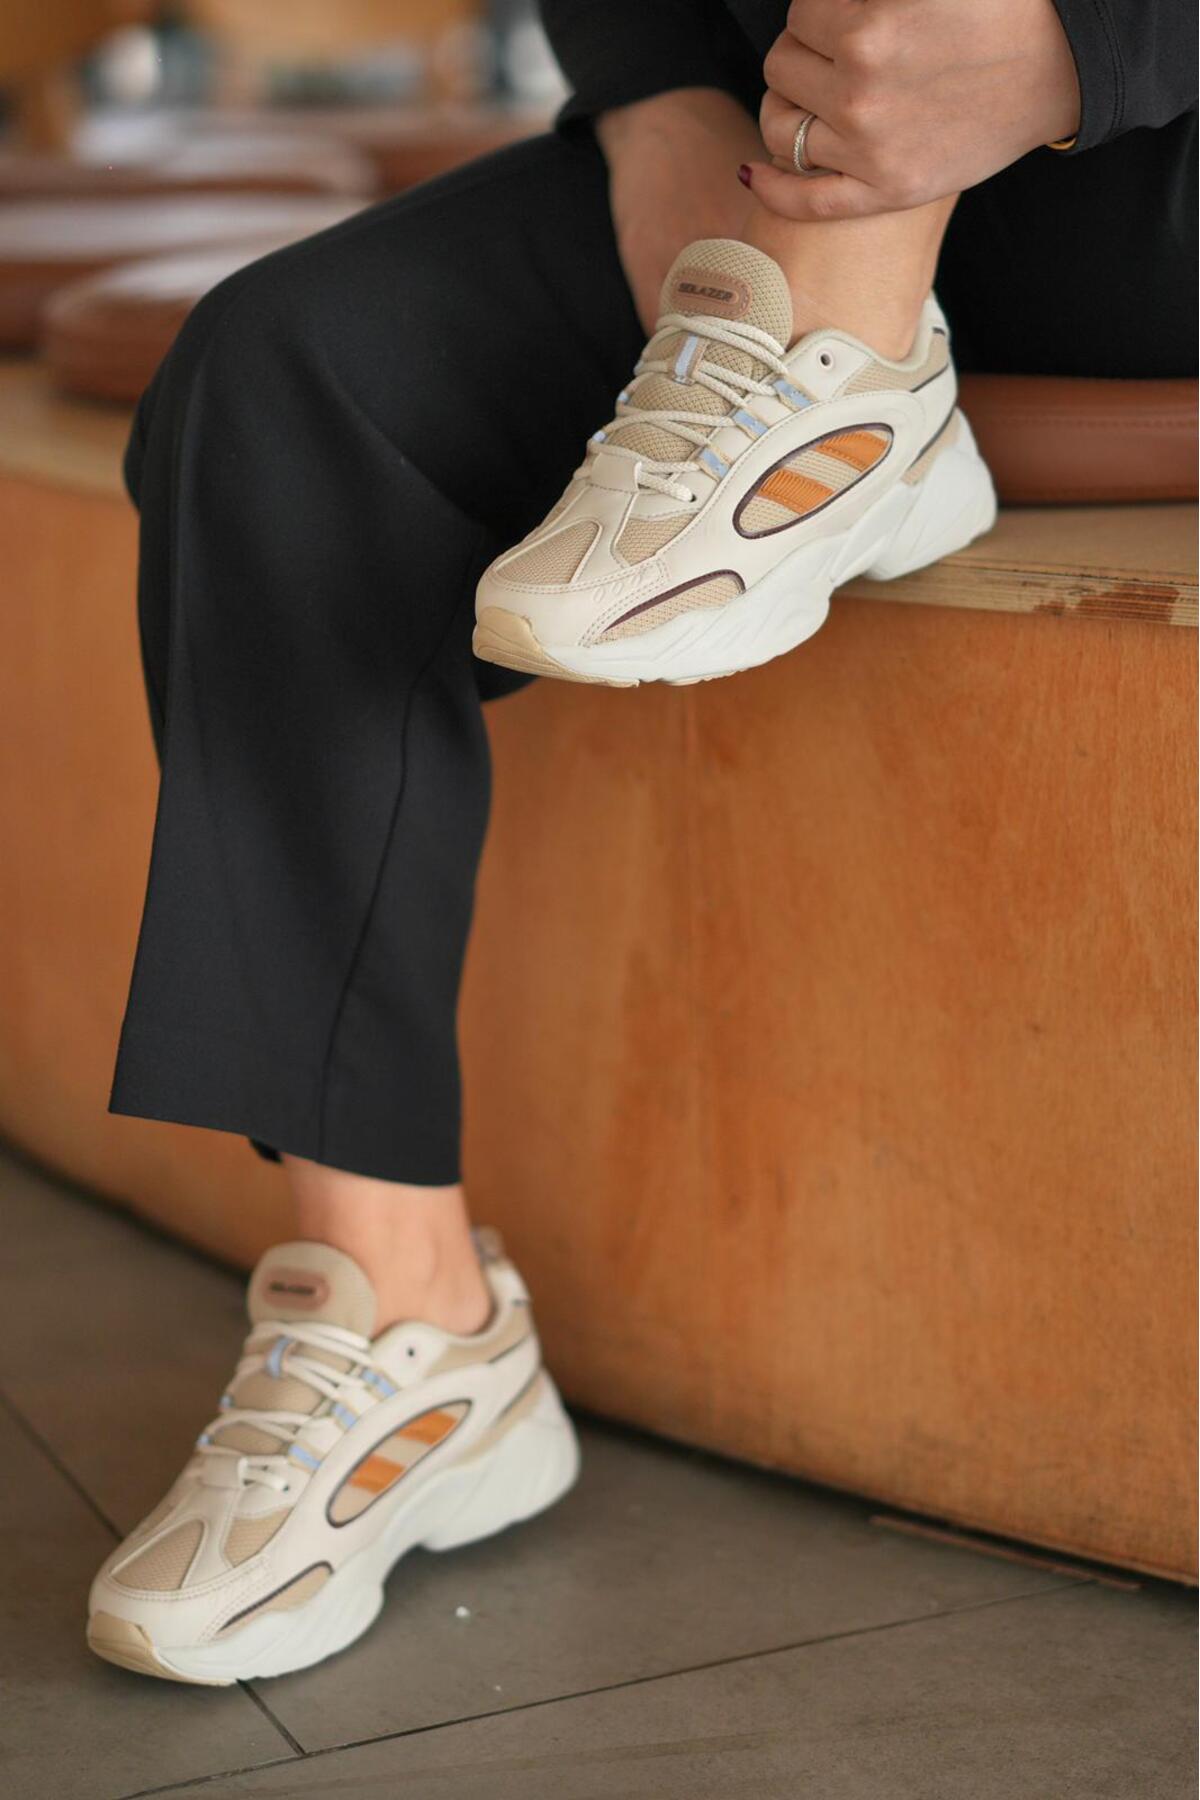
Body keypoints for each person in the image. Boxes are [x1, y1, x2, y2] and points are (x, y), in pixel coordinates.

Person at [87, 0, 1195, 1683]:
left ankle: (859, 382)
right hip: (772, 147)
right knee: (282, 372)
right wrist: (655, 96)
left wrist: (1094, 48)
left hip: (1154, 176)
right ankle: (409, 1322)